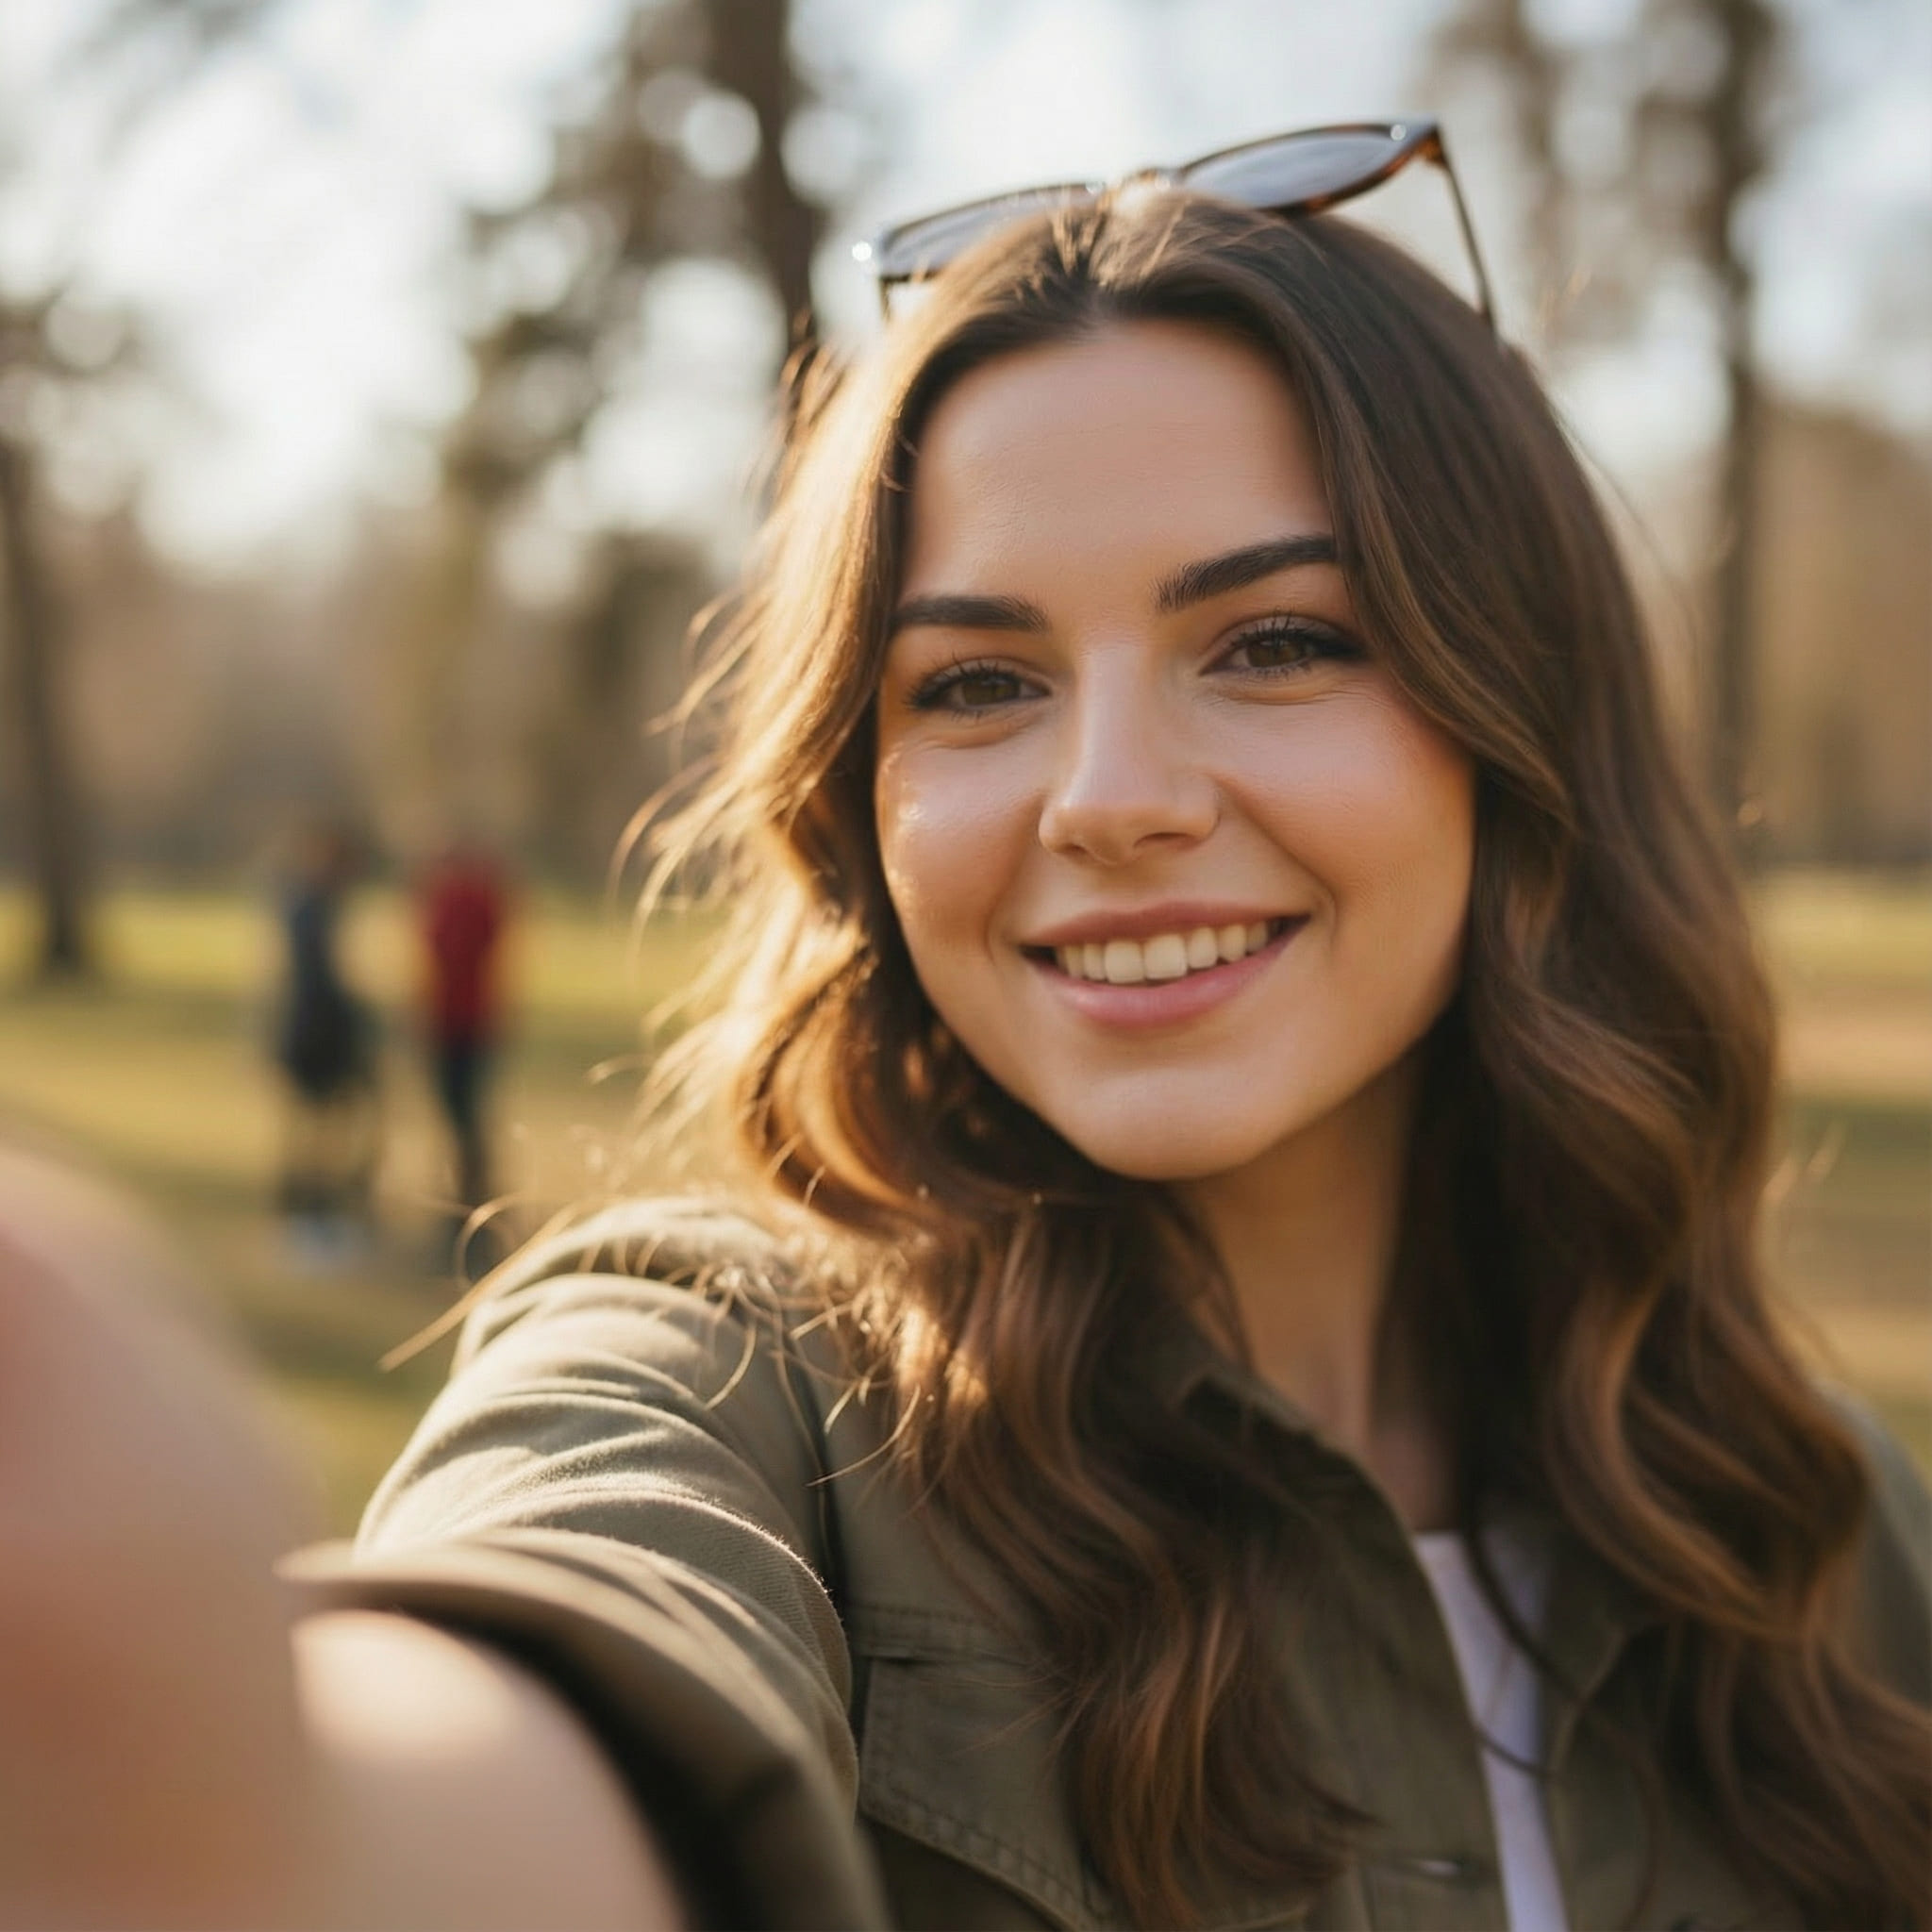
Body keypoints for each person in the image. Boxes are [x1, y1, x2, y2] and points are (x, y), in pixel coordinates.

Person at [2, 123, 1926, 1932]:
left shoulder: (1807, 1517)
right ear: (858, 795)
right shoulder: (732, 1403)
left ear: (1523, 723)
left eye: (1274, 641)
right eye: (979, 681)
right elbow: (502, 1716)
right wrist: (241, 1787)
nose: (1107, 797)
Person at [273, 822, 380, 1260]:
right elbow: (318, 982)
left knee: (322, 1129)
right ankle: (309, 1213)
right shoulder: (310, 910)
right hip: (316, 1036)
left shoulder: (312, 907)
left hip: (317, 1033)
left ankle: (315, 1208)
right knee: (317, 1130)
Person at [417, 839, 508, 1218]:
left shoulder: (464, 901)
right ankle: (468, 1180)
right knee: (460, 1106)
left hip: (465, 1018)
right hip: (456, 1017)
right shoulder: (459, 899)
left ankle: (473, 1183)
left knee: (463, 1106)